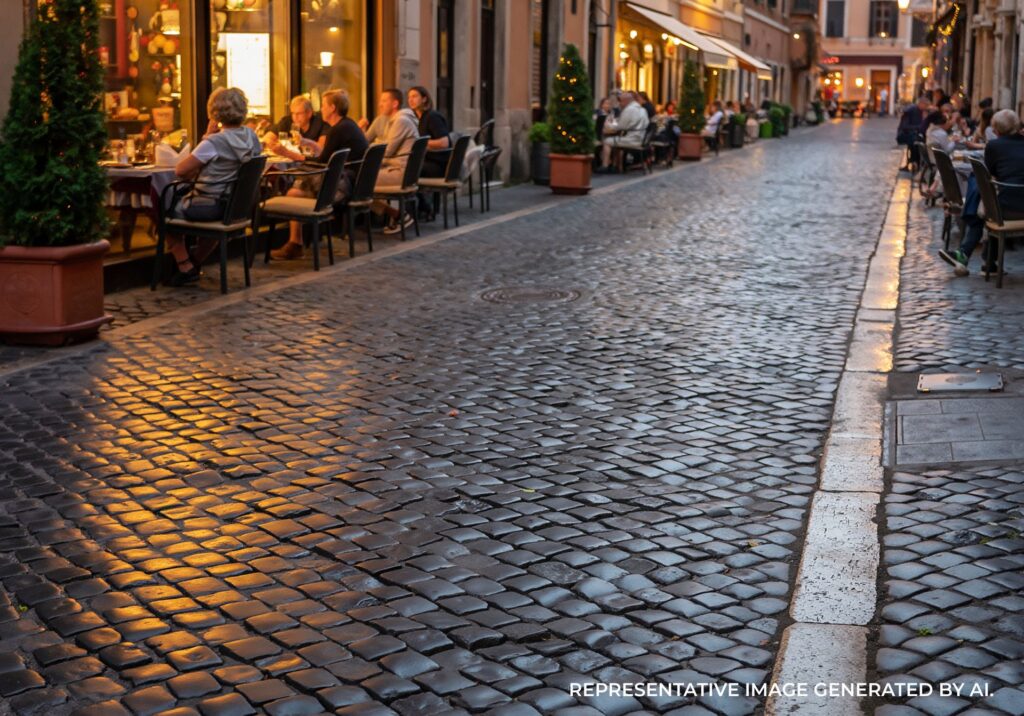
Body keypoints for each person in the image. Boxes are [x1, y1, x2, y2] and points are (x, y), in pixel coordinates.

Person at [163, 87, 261, 286]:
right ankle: (194, 262)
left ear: (214, 113)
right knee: (183, 204)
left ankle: (185, 265)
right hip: (237, 208)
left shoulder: (215, 142)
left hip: (210, 205)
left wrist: (207, 137)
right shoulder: (252, 137)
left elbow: (181, 171)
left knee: (163, 211)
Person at [269, 89, 368, 261]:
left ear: (332, 108)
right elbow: (327, 156)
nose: (320, 109)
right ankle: (296, 244)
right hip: (351, 182)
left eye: (323, 106)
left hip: (340, 187)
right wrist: (308, 144)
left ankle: (295, 244)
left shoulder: (338, 129)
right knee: (294, 191)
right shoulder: (346, 125)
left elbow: (321, 163)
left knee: (295, 188)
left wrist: (286, 152)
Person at [939, 110, 1024, 276]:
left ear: (996, 130)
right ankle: (987, 261)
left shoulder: (993, 146)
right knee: (985, 198)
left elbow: (990, 173)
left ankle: (965, 253)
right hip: (1016, 199)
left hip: (1005, 208)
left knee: (980, 190)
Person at [363, 88, 420, 234]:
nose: (380, 104)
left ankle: (399, 216)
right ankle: (396, 215)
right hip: (403, 171)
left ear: (395, 104)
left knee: (357, 183)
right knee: (356, 181)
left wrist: (372, 147)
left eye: (384, 101)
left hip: (400, 173)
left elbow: (387, 151)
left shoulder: (401, 121)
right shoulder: (400, 120)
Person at [407, 86, 451, 220]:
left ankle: (417, 211)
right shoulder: (419, 118)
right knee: (408, 169)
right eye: (409, 97)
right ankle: (421, 209)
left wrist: (420, 144)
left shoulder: (432, 117)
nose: (411, 100)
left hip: (438, 165)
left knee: (408, 172)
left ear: (424, 99)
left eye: (415, 96)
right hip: (429, 162)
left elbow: (444, 143)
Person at [263, 95, 328, 162]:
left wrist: (302, 143)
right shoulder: (287, 121)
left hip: (311, 163)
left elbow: (321, 148)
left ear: (309, 113)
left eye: (299, 113)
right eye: (293, 113)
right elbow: (267, 139)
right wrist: (275, 145)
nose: (295, 117)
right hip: (289, 162)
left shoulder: (320, 123)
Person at [597, 91, 649, 173]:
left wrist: (608, 126)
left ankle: (605, 165)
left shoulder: (629, 110)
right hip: (641, 139)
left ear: (625, 101)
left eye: (620, 101)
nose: (619, 104)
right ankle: (616, 166)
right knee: (616, 140)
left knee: (607, 141)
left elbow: (620, 127)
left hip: (633, 140)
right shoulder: (642, 109)